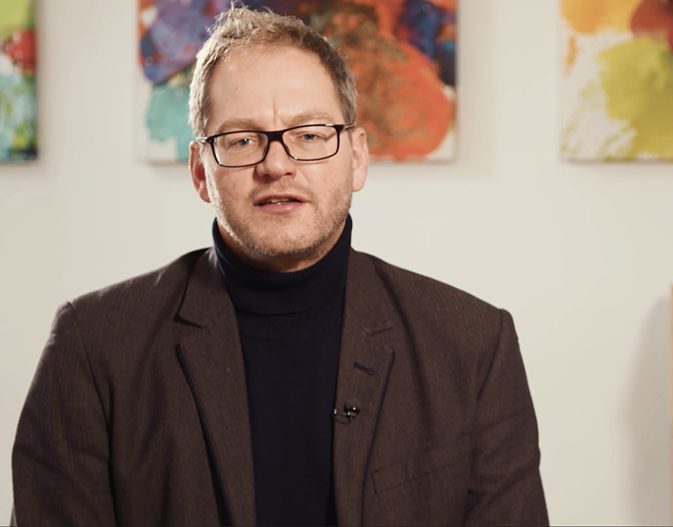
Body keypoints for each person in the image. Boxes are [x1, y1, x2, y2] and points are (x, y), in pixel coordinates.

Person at [11, 6, 547, 526]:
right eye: (242, 139)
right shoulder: (94, 347)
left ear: (357, 157)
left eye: (309, 134)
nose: (276, 164)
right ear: (200, 172)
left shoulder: (473, 345)